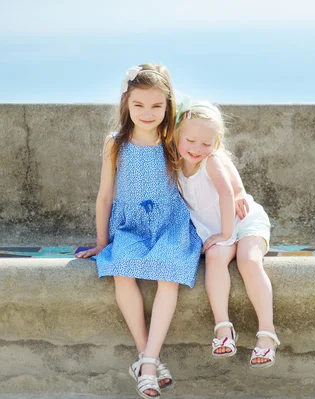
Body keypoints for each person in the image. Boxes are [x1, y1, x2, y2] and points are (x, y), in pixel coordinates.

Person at [76, 64, 202, 398]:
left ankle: (146, 365)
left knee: (168, 275)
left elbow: (205, 159)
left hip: (169, 225)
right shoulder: (115, 143)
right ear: (126, 104)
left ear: (168, 106)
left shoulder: (172, 141)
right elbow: (105, 196)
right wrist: (104, 243)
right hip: (130, 226)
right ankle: (149, 357)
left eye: (157, 105)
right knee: (121, 271)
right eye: (139, 105)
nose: (148, 113)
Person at [171, 99, 280, 368]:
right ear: (176, 136)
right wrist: (220, 236)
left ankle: (267, 334)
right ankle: (223, 328)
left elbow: (226, 194)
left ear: (215, 144)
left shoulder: (211, 161)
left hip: (242, 221)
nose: (198, 149)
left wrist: (226, 234)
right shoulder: (175, 164)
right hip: (217, 230)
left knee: (248, 260)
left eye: (206, 144)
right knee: (216, 260)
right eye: (191, 141)